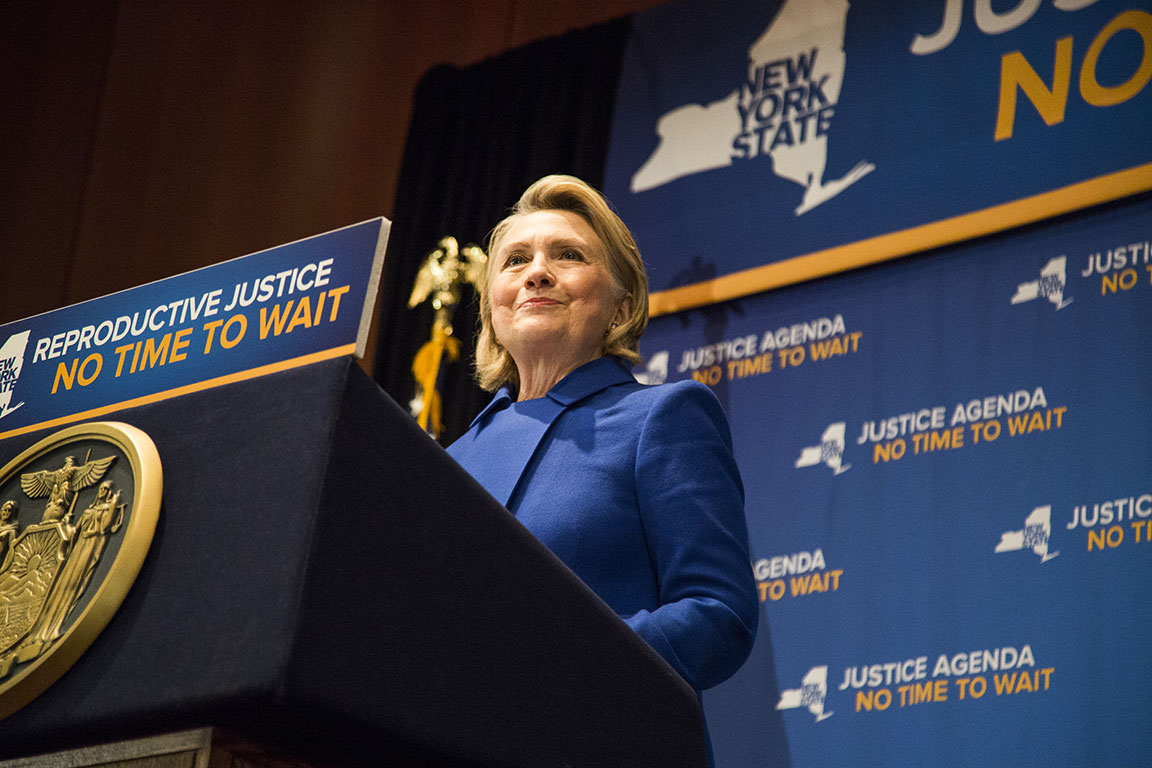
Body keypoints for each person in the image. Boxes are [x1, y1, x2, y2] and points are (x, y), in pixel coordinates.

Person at [447, 175, 758, 699]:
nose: (537, 273)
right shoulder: (449, 460)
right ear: (491, 309)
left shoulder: (663, 417)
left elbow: (718, 612)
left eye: (567, 255)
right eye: (515, 261)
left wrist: (560, 664)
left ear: (620, 305)